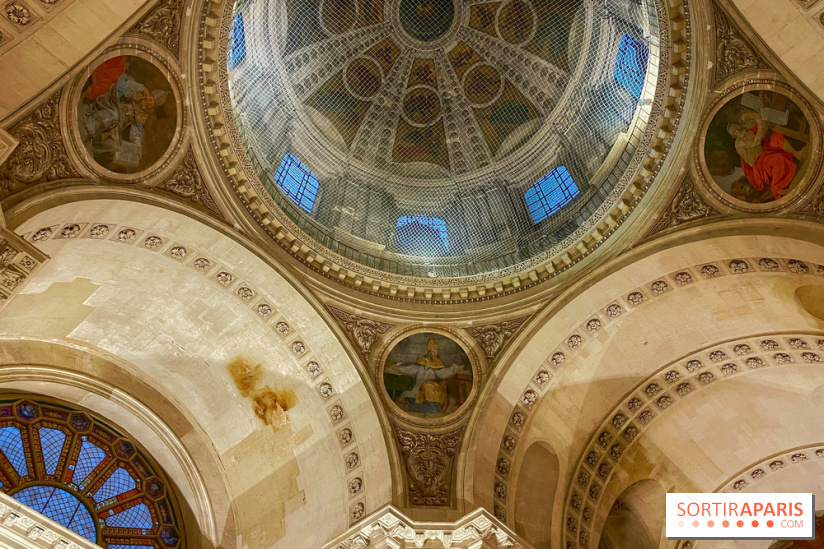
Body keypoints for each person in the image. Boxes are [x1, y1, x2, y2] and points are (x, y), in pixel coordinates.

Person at [80, 57, 168, 170]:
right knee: (113, 115)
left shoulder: (143, 115)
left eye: (153, 104)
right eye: (152, 99)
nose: (150, 103)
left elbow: (135, 132)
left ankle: (91, 145)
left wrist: (138, 146)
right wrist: (141, 87)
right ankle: (88, 129)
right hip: (110, 105)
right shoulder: (138, 92)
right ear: (150, 95)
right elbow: (122, 87)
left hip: (115, 127)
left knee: (114, 147)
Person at [726, 110, 804, 201]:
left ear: (739, 125)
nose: (737, 130)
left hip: (764, 152)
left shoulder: (748, 131)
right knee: (776, 159)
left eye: (736, 127)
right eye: (734, 132)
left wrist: (751, 115)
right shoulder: (738, 144)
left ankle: (796, 154)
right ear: (734, 136)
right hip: (759, 164)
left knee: (776, 137)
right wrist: (756, 119)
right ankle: (776, 188)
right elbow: (757, 142)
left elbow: (761, 120)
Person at [385, 338, 466, 415]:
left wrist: (452, 368)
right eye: (433, 351)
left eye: (436, 351)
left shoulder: (438, 365)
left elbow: (444, 373)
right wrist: (396, 368)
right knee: (408, 396)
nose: (435, 353)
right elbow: (409, 369)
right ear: (428, 352)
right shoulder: (420, 366)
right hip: (418, 390)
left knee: (428, 388)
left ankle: (433, 410)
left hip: (435, 390)